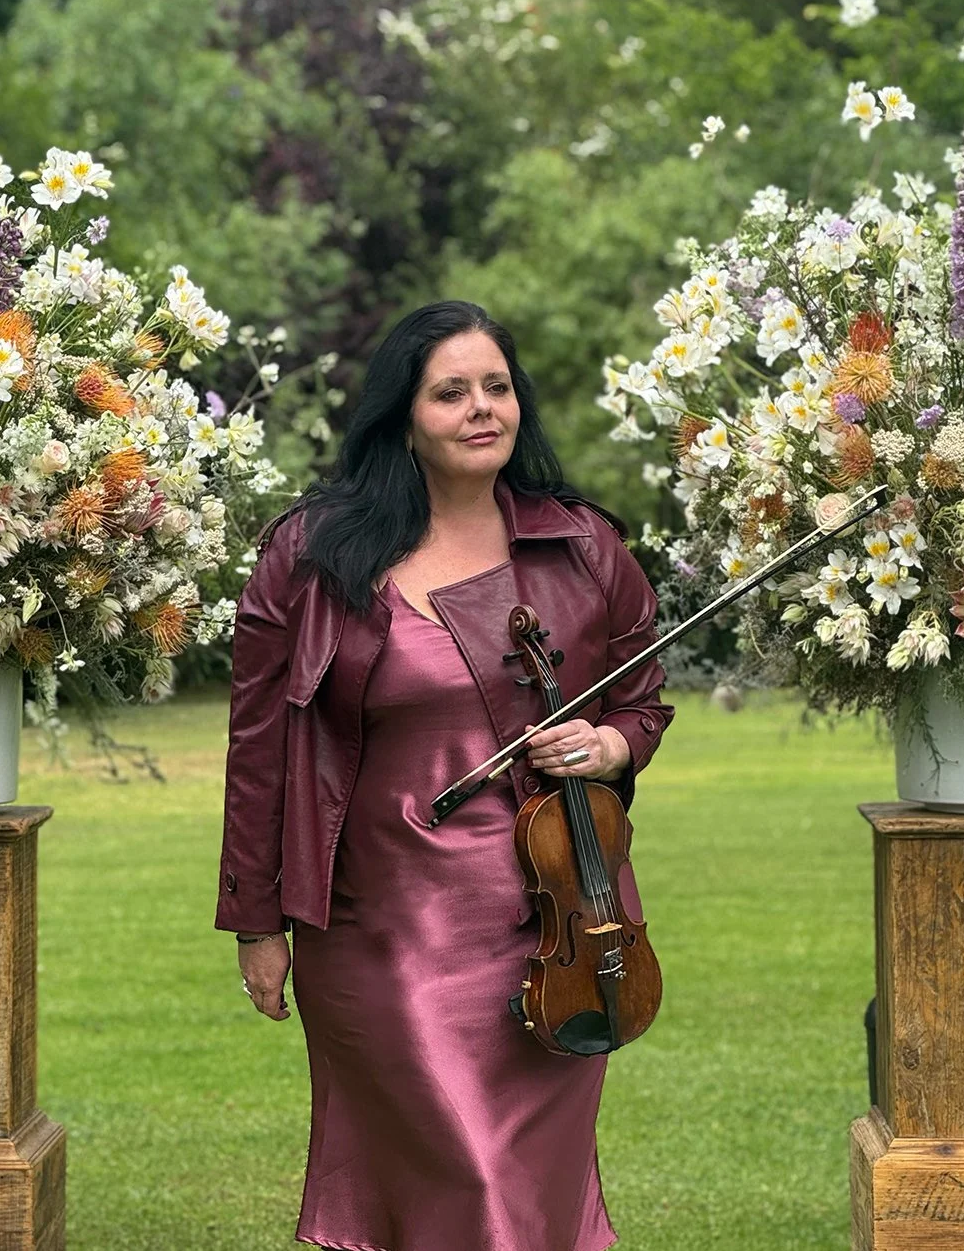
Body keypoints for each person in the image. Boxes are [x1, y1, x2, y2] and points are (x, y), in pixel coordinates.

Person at [215, 300, 675, 1251]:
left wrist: (613, 745)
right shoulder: (311, 554)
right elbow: (259, 747)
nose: (481, 409)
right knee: (462, 1170)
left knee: (522, 1184)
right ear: (403, 417)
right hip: (380, 924)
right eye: (451, 392)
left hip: (559, 922)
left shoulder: (583, 544)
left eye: (497, 387)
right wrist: (257, 918)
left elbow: (642, 693)